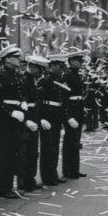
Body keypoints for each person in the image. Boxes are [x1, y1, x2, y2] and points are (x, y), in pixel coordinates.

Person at [0, 45, 25, 199]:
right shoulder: (0, 75)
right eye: (16, 57)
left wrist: (21, 104)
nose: (19, 60)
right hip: (4, 121)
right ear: (8, 59)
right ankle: (1, 188)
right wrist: (11, 112)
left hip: (14, 120)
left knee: (12, 153)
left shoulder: (14, 75)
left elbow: (17, 95)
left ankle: (8, 186)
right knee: (3, 155)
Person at [19, 54, 48, 191]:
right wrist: (26, 120)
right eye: (40, 69)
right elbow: (22, 103)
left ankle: (30, 179)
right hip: (27, 118)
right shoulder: (24, 80)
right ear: (32, 67)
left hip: (34, 117)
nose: (42, 72)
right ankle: (24, 180)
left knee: (32, 151)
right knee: (25, 151)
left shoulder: (33, 80)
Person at [38, 55, 67, 186]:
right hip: (48, 114)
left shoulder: (58, 80)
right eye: (60, 66)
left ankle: (53, 172)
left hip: (56, 115)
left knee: (54, 146)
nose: (62, 69)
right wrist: (42, 117)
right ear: (53, 66)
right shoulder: (44, 81)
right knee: (47, 147)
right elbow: (39, 101)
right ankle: (47, 176)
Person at [61, 49, 88, 179]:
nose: (81, 63)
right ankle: (67, 169)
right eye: (78, 61)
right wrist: (69, 116)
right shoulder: (67, 76)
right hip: (72, 109)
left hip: (78, 108)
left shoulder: (77, 74)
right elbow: (64, 98)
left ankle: (74, 169)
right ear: (71, 61)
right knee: (70, 140)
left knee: (76, 140)